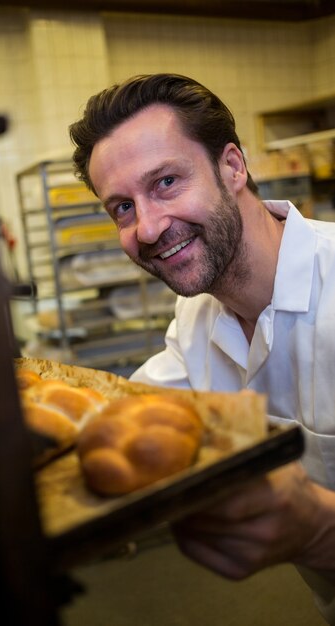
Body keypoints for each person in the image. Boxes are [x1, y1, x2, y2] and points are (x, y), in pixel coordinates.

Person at [69, 73, 335, 623]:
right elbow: (122, 412)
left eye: (166, 182)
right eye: (121, 207)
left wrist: (318, 529)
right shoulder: (197, 316)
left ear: (233, 167)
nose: (146, 228)